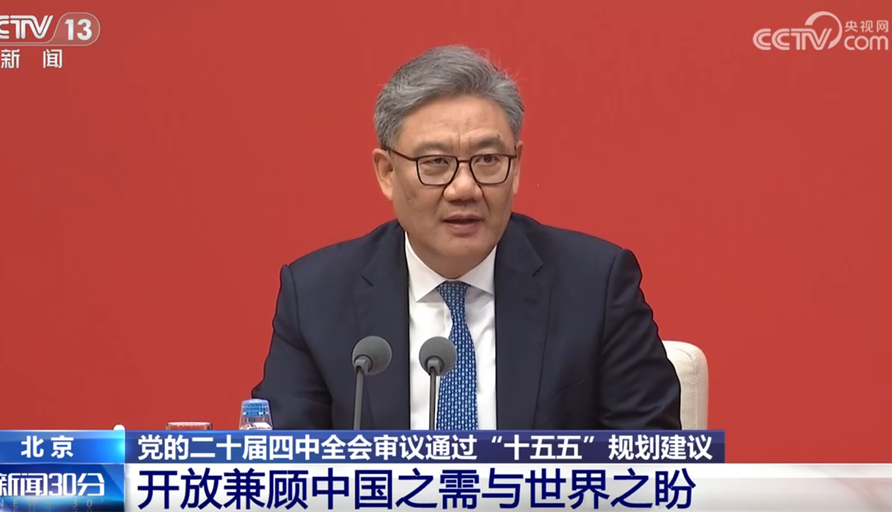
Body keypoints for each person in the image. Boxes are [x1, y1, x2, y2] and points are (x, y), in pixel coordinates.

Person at [252, 45, 681, 430]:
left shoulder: (596, 286)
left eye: (488, 159)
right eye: (436, 162)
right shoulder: (317, 296)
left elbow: (651, 457)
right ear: (387, 172)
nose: (464, 188)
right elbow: (282, 464)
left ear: (516, 166)